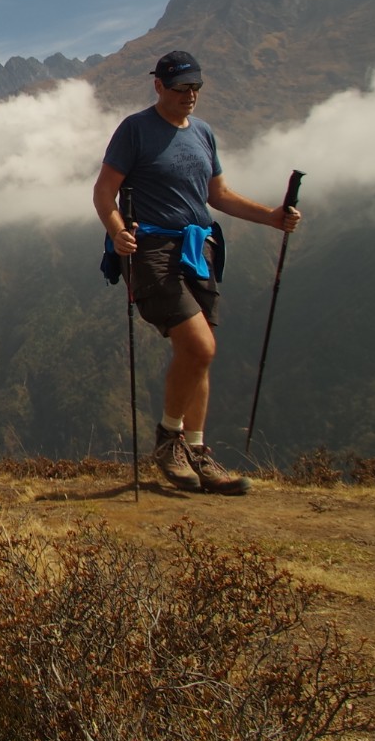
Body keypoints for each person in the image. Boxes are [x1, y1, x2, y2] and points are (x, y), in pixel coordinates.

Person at [91, 50, 301, 496]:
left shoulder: (203, 133)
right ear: (159, 86)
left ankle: (198, 453)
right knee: (200, 345)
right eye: (183, 87)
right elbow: (104, 192)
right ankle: (170, 441)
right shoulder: (135, 131)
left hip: (195, 247)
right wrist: (117, 232)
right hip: (150, 250)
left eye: (196, 87)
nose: (191, 95)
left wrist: (271, 216)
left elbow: (217, 195)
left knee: (201, 354)